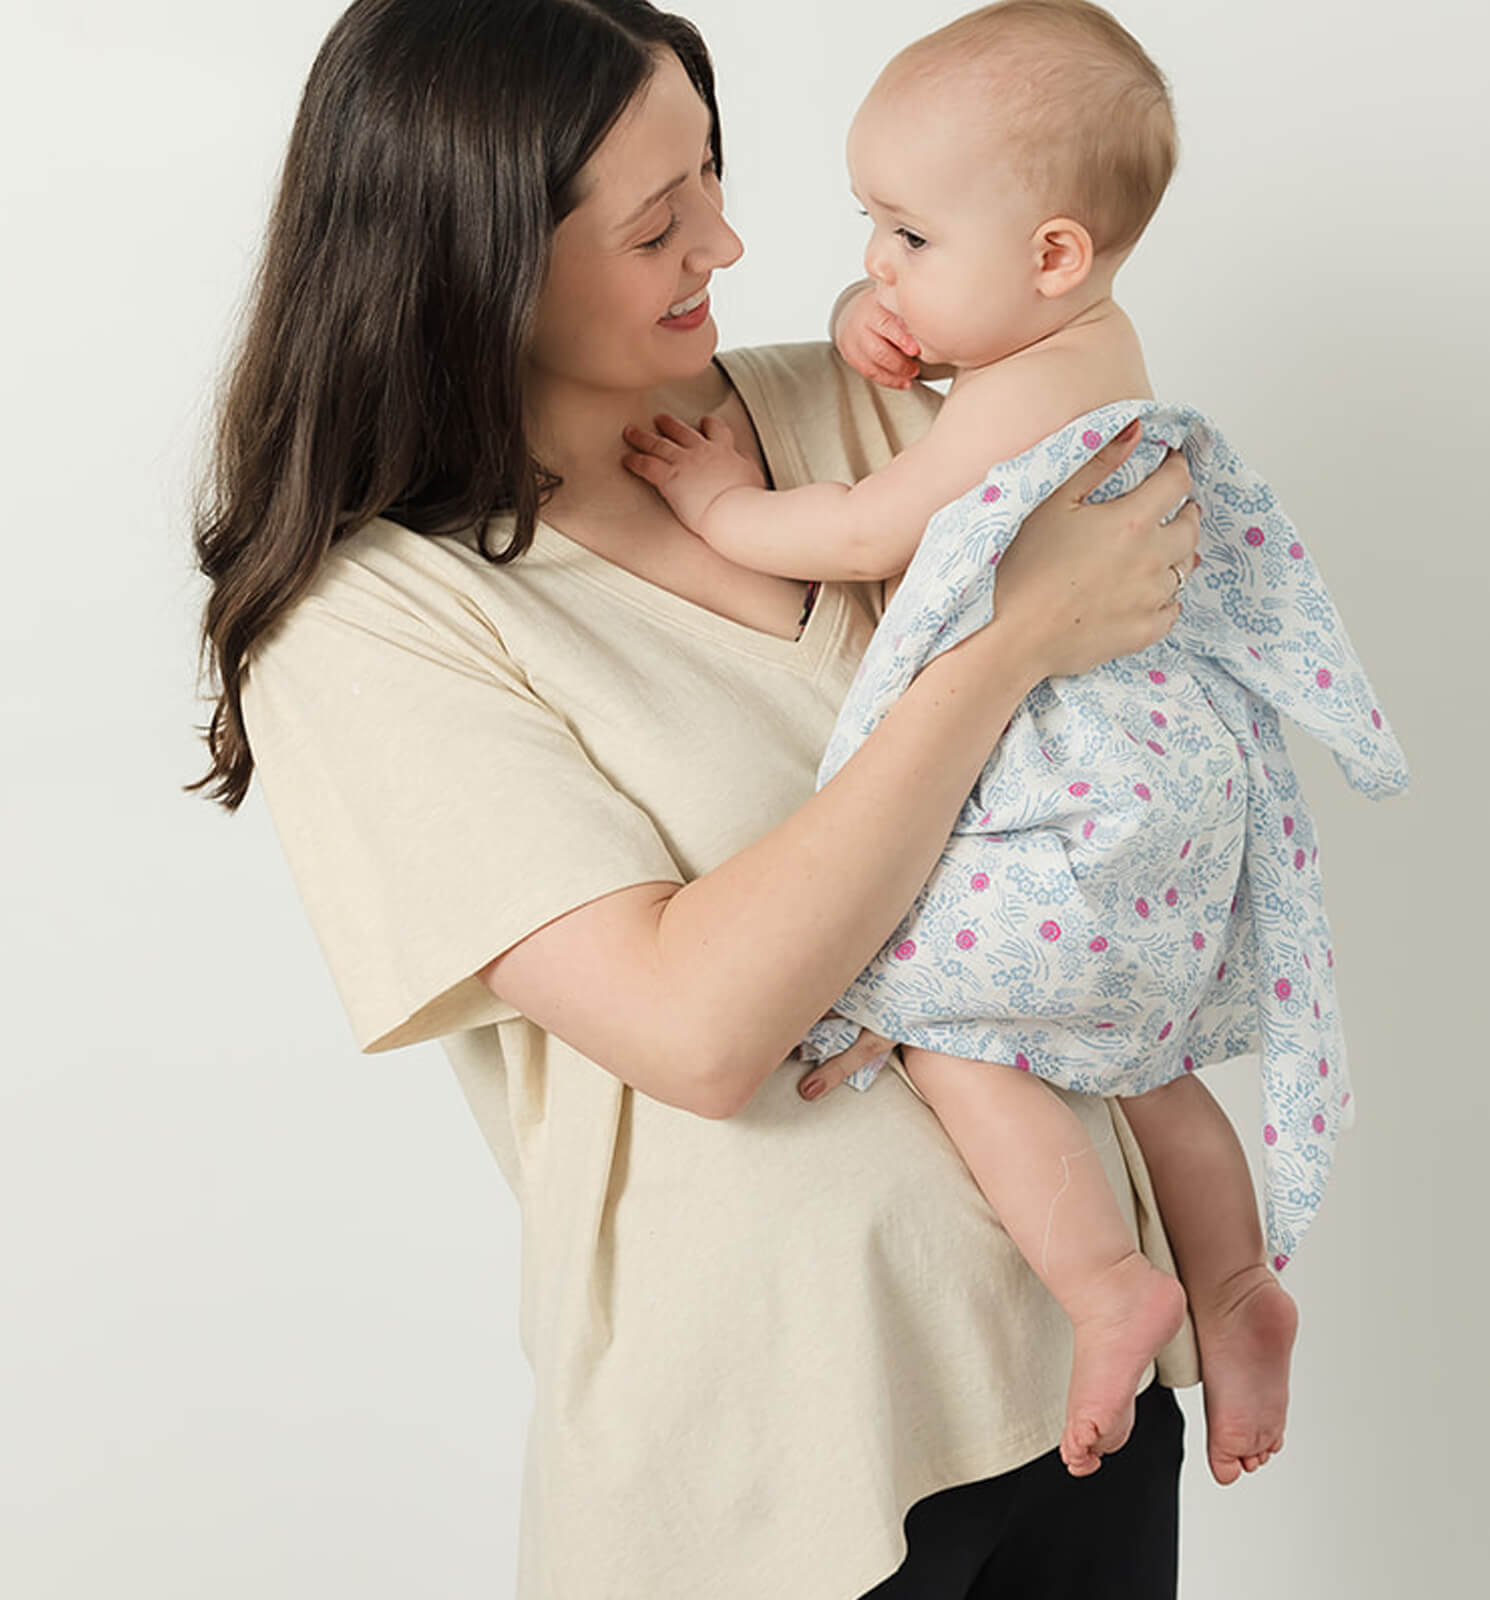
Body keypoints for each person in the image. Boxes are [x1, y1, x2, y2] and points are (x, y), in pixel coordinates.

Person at [190, 2, 1204, 1595]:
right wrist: (1008, 648)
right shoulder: (378, 619)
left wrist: (856, 915)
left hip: (1071, 1368)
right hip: (772, 1461)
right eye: (661, 223)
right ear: (476, 258)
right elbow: (701, 1027)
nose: (728, 242)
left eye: (714, 177)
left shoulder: (859, 419)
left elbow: (1149, 663)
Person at [623, 0, 1403, 1485]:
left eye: (905, 237)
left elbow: (870, 528)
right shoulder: (1076, 344)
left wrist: (722, 505)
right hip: (1171, 783)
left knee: (952, 1028)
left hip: (1083, 771)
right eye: (872, 228)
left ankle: (1114, 1281)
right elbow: (980, 421)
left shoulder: (1032, 382)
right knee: (1140, 1056)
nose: (875, 265)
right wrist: (901, 337)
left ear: (1048, 255)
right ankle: (1236, 1285)